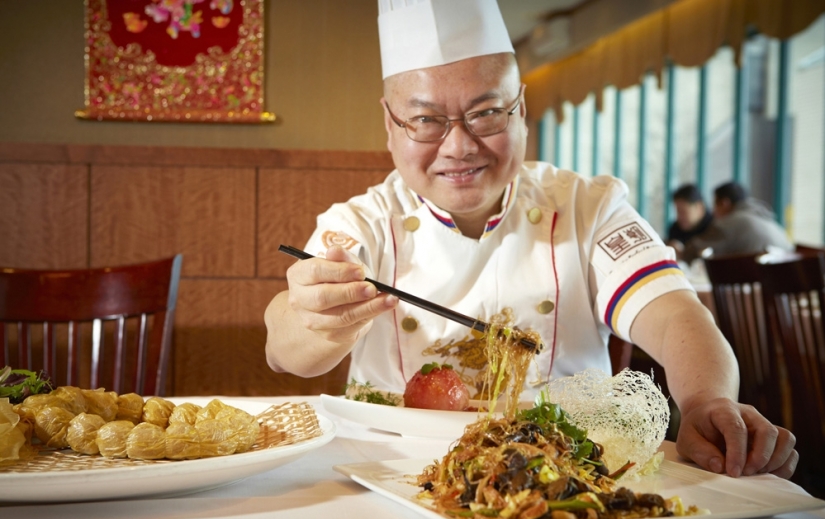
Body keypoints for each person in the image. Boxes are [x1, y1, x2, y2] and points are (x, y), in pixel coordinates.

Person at [264, 0, 797, 480]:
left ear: (521, 108)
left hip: (574, 477)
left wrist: (705, 398)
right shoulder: (364, 223)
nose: (458, 146)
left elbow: (675, 313)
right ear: (391, 123)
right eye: (426, 119)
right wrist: (314, 319)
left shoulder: (590, 206)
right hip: (389, 477)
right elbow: (285, 349)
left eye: (486, 113)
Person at [682, 181, 793, 263]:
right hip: (788, 285)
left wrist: (680, 251)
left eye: (715, 205)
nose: (714, 212)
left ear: (725, 204)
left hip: (757, 289)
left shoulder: (729, 223)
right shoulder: (764, 217)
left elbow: (694, 250)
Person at [666, 183, 712, 253]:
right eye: (678, 212)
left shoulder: (714, 227)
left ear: (699, 207)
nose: (680, 217)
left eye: (683, 212)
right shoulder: (675, 229)